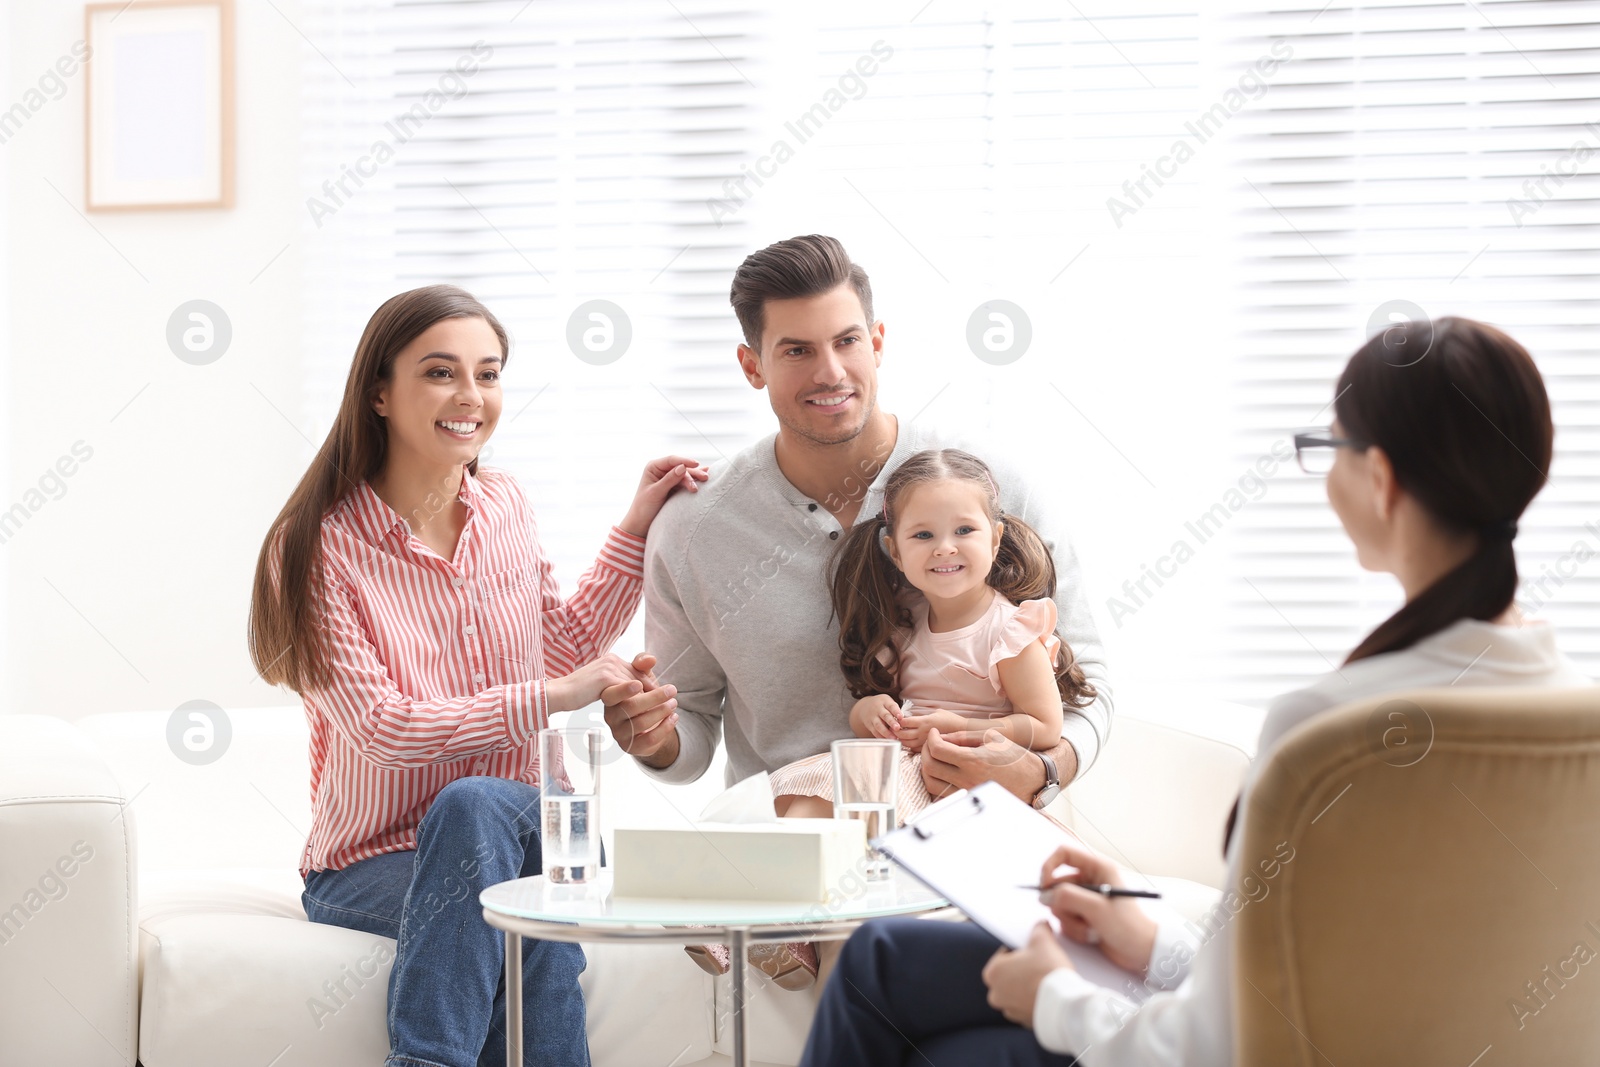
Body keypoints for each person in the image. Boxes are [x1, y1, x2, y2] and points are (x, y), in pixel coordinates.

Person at [800, 315, 1592, 1065]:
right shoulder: (1575, 717)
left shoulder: (1334, 730)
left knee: (888, 971)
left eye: (1330, 448)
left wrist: (1058, 998)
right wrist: (1150, 936)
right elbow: (1304, 970)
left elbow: (1217, 1042)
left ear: (1378, 477)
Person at [600, 235, 1114, 989]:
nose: (831, 371)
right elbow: (691, 740)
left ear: (877, 343)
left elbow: (1090, 681)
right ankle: (790, 928)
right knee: (866, 951)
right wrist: (650, 738)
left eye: (846, 342)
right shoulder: (695, 527)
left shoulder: (986, 488)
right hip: (808, 852)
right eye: (797, 350)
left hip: (978, 815)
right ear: (752, 366)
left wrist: (1039, 767)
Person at [247, 284, 706, 1067]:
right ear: (380, 393)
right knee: (529, 930)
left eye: (488, 373)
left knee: (492, 827)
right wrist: (554, 697)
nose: (471, 395)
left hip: (536, 832)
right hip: (370, 862)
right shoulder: (316, 546)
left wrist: (635, 528)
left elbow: (556, 644)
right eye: (440, 372)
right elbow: (386, 729)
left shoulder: (505, 504)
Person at [769, 447, 1097, 824]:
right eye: (923, 534)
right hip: (903, 770)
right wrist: (870, 712)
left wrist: (960, 727)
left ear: (995, 539)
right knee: (813, 807)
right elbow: (875, 717)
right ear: (895, 553)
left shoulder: (1010, 632)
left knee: (851, 821)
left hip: (964, 780)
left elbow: (1044, 726)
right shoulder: (905, 624)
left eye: (964, 530)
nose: (944, 547)